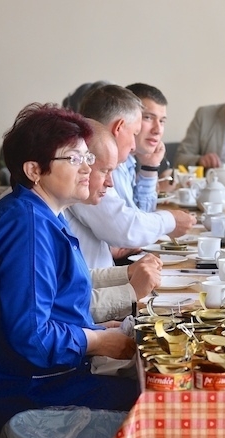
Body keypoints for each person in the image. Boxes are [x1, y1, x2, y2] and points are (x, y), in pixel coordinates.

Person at [0, 103, 139, 433]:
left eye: (87, 157)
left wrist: (96, 331)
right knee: (153, 400)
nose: (88, 168)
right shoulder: (27, 228)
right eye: (74, 159)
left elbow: (50, 309)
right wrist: (98, 343)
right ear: (34, 170)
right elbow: (32, 336)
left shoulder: (42, 216)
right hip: (23, 393)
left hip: (44, 378)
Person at [69, 85, 195, 268]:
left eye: (162, 121)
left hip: (102, 280)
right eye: (135, 132)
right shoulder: (86, 165)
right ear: (119, 127)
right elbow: (125, 228)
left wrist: (150, 168)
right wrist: (170, 221)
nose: (134, 147)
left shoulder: (114, 162)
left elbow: (134, 221)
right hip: (96, 288)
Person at [65, 120, 162, 322]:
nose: (110, 183)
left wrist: (127, 272)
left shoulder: (51, 211)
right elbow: (52, 311)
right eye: (104, 171)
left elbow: (72, 280)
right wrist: (131, 292)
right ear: (36, 170)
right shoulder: (29, 221)